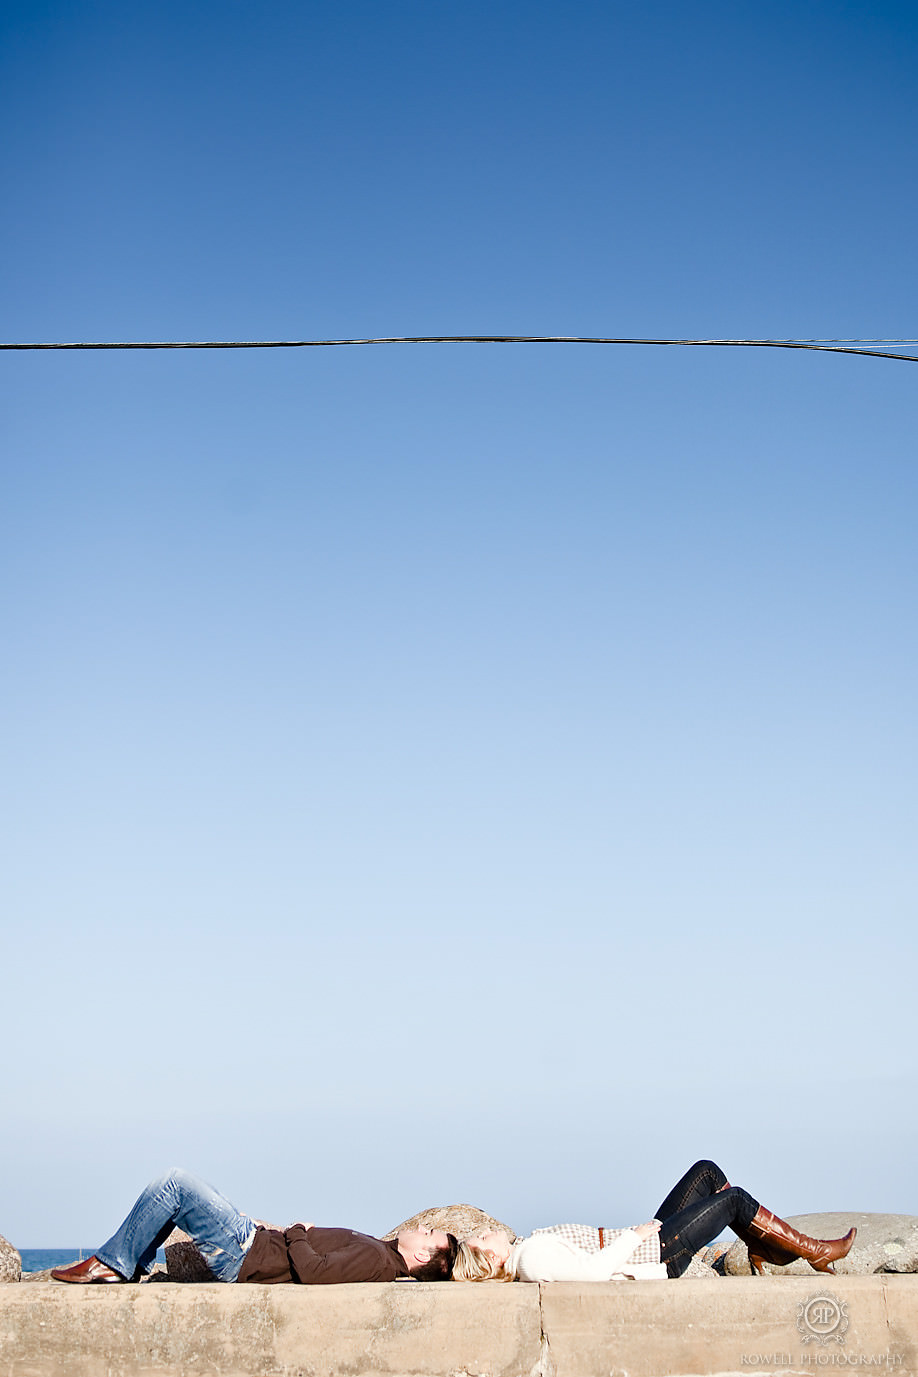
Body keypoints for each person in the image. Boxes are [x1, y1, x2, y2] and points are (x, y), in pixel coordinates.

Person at [452, 1160, 856, 1282]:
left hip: (646, 1242)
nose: (487, 1231)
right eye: (482, 1239)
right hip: (658, 1255)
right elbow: (593, 1275)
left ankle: (762, 1246)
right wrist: (634, 1236)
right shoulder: (531, 1259)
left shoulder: (525, 1248)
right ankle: (813, 1252)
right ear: (492, 1260)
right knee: (732, 1199)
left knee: (707, 1174)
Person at [50, 1168, 459, 1285]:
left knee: (175, 1186)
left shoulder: (376, 1261)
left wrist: (296, 1230)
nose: (422, 1228)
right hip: (255, 1242)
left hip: (245, 1255)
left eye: (429, 1234)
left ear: (423, 1255)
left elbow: (315, 1272)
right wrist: (280, 1230)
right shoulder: (380, 1252)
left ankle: (114, 1263)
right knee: (183, 1192)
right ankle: (127, 1263)